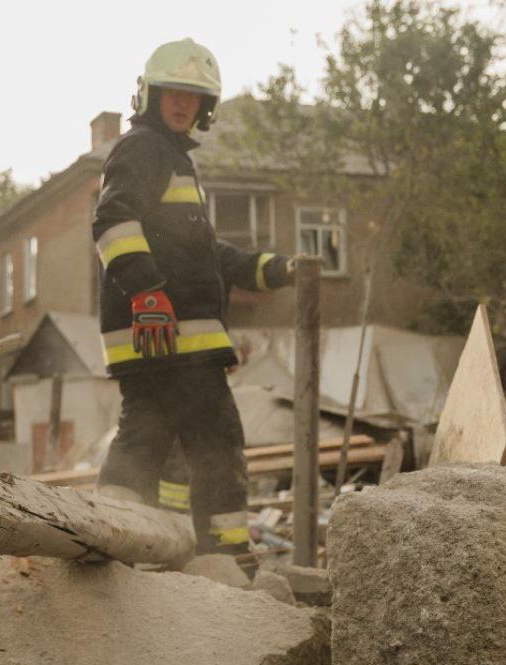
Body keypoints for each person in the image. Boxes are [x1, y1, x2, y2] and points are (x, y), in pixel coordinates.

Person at [92, 38, 296, 555]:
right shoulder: (144, 150)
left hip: (166, 337)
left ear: (205, 107)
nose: (183, 104)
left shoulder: (172, 161)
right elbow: (113, 221)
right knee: (214, 442)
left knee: (150, 442)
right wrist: (148, 294)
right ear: (151, 97)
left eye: (193, 97)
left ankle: (119, 542)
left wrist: (270, 269)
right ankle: (224, 558)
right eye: (173, 94)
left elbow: (204, 253)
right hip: (165, 332)